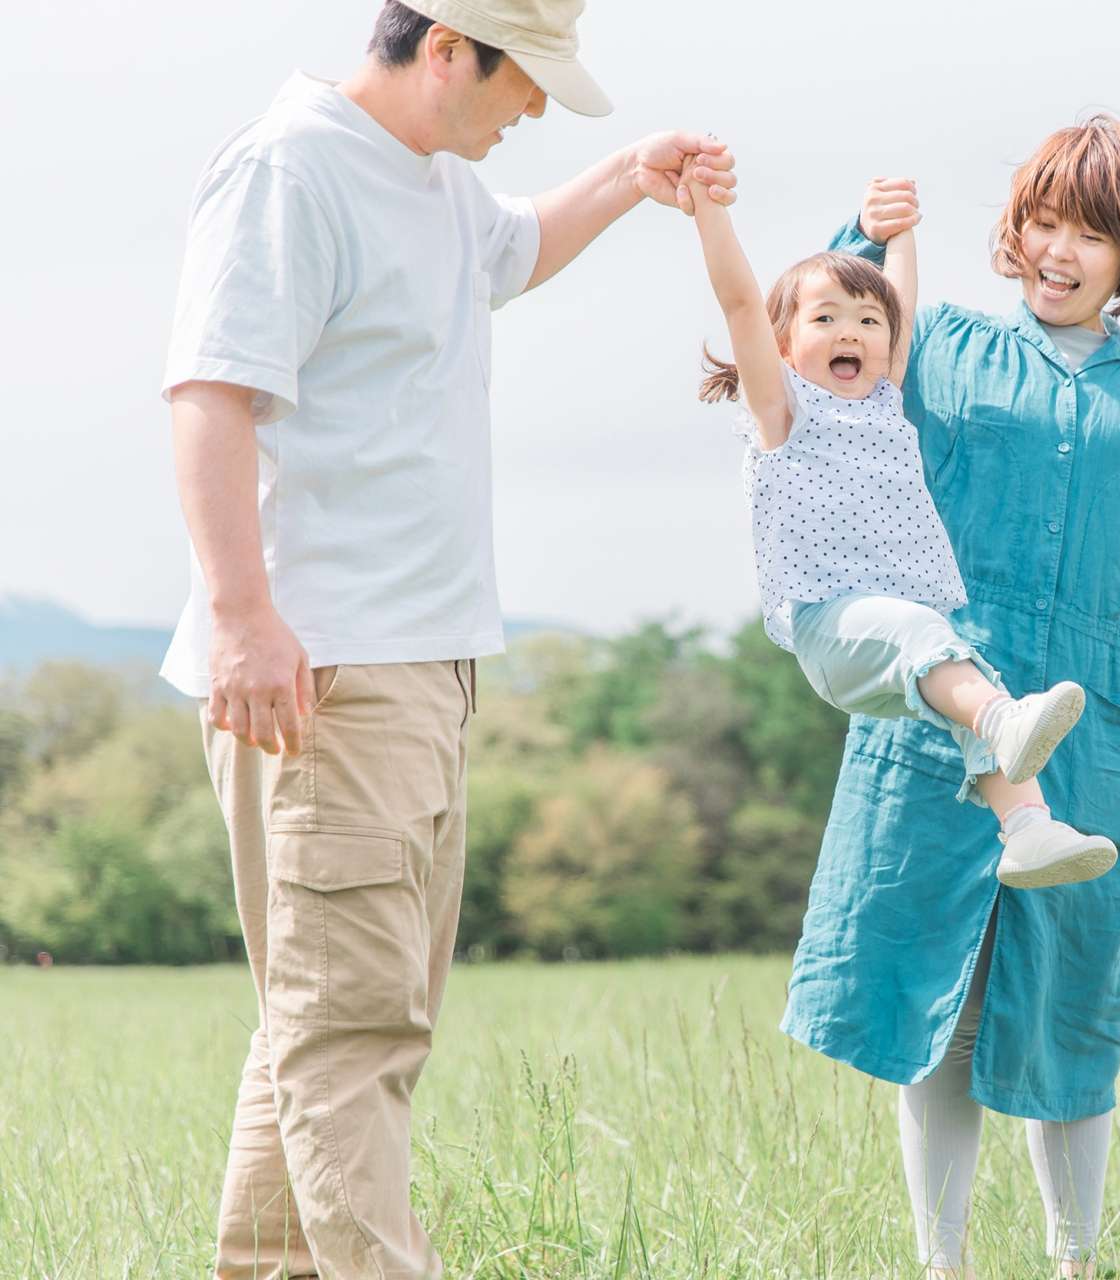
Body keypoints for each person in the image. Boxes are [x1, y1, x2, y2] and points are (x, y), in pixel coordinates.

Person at [159, 3, 734, 1274]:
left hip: (422, 668)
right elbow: (210, 393)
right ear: (443, 50)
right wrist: (245, 620)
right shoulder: (290, 168)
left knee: (324, 1024)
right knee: (351, 1036)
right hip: (327, 672)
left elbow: (514, 251)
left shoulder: (428, 178)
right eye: (524, 84)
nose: (532, 113)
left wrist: (630, 182)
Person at [781, 117, 1120, 1277]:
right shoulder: (938, 346)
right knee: (939, 1008)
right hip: (946, 716)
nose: (1058, 250)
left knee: (1069, 1020)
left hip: (1091, 742)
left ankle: (1074, 1263)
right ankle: (943, 1264)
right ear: (1013, 230)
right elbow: (827, 338)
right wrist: (865, 231)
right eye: (1043, 221)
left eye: (1090, 232)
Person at [683, 167, 1117, 890]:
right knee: (957, 670)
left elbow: (902, 307)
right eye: (823, 320)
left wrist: (903, 232)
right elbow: (738, 303)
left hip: (898, 642)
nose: (849, 331)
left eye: (864, 321)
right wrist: (707, 211)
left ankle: (1028, 830)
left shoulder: (884, 402)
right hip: (833, 628)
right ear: (784, 347)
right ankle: (1006, 726)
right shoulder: (784, 414)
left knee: (966, 677)